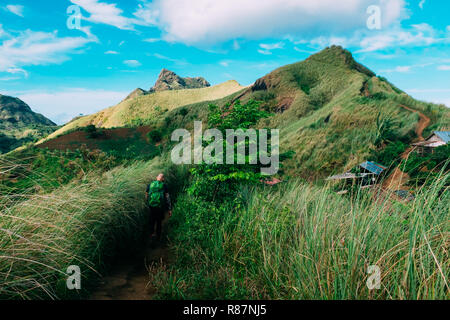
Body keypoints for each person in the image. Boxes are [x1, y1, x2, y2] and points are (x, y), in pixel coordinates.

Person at [146, 173, 172, 241]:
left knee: (152, 221)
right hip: (160, 208)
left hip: (151, 207)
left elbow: (146, 196)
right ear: (163, 179)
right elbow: (167, 198)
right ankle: (158, 237)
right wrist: (169, 209)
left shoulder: (150, 185)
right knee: (159, 222)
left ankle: (151, 235)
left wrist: (148, 205)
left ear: (156, 177)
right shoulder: (164, 186)